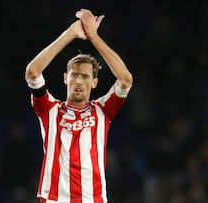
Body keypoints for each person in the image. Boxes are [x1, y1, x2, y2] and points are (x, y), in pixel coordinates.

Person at [25, 8, 133, 203]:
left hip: (92, 199)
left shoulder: (102, 110)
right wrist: (70, 34)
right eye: (74, 75)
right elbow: (32, 72)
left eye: (85, 76)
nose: (79, 81)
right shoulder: (49, 109)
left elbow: (125, 79)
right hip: (54, 199)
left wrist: (94, 37)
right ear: (66, 78)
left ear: (94, 83)